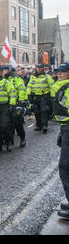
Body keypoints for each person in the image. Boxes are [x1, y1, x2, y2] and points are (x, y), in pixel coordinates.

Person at [52, 63, 69, 219]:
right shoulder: (61, 87)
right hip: (66, 128)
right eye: (58, 72)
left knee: (65, 167)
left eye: (63, 72)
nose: (59, 74)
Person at [0, 66, 17, 152]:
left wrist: (12, 105)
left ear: (2, 72)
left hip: (4, 107)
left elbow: (12, 93)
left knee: (4, 126)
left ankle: (8, 142)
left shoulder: (6, 82)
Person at [27, 64, 55, 133]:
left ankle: (44, 125)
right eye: (38, 68)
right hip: (35, 96)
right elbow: (29, 86)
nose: (39, 69)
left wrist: (52, 96)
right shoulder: (32, 77)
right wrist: (28, 94)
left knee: (44, 111)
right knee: (36, 111)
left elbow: (51, 86)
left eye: (41, 68)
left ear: (43, 69)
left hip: (44, 96)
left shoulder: (47, 76)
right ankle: (39, 125)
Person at [5, 66, 28, 148]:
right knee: (8, 124)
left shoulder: (16, 79)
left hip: (16, 104)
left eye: (5, 70)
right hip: (6, 105)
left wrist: (21, 101)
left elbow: (21, 90)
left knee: (18, 124)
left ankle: (22, 139)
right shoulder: (1, 80)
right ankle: (10, 140)